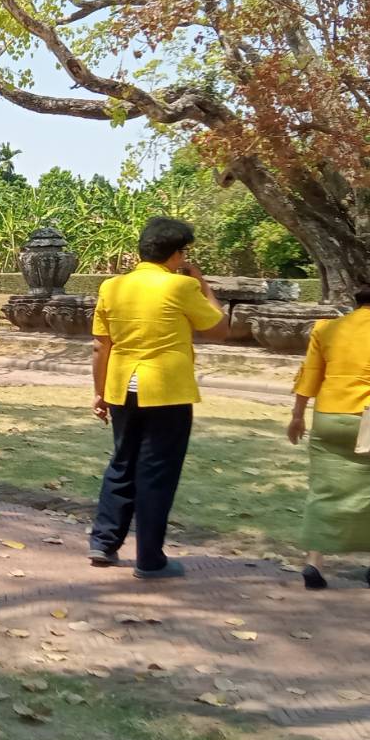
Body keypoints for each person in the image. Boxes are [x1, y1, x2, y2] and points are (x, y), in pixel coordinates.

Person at [87, 217, 227, 580]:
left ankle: (104, 542)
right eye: (185, 254)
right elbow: (220, 328)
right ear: (177, 254)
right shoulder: (180, 287)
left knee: (122, 462)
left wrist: (100, 392)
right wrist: (201, 282)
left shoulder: (112, 287)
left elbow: (101, 347)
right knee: (156, 473)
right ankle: (149, 559)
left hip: (122, 386)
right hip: (166, 389)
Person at [288, 284, 370, 591]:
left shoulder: (326, 328)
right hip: (368, 418)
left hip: (328, 417)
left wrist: (297, 415)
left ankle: (314, 563)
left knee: (323, 491)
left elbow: (311, 373)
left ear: (358, 305)